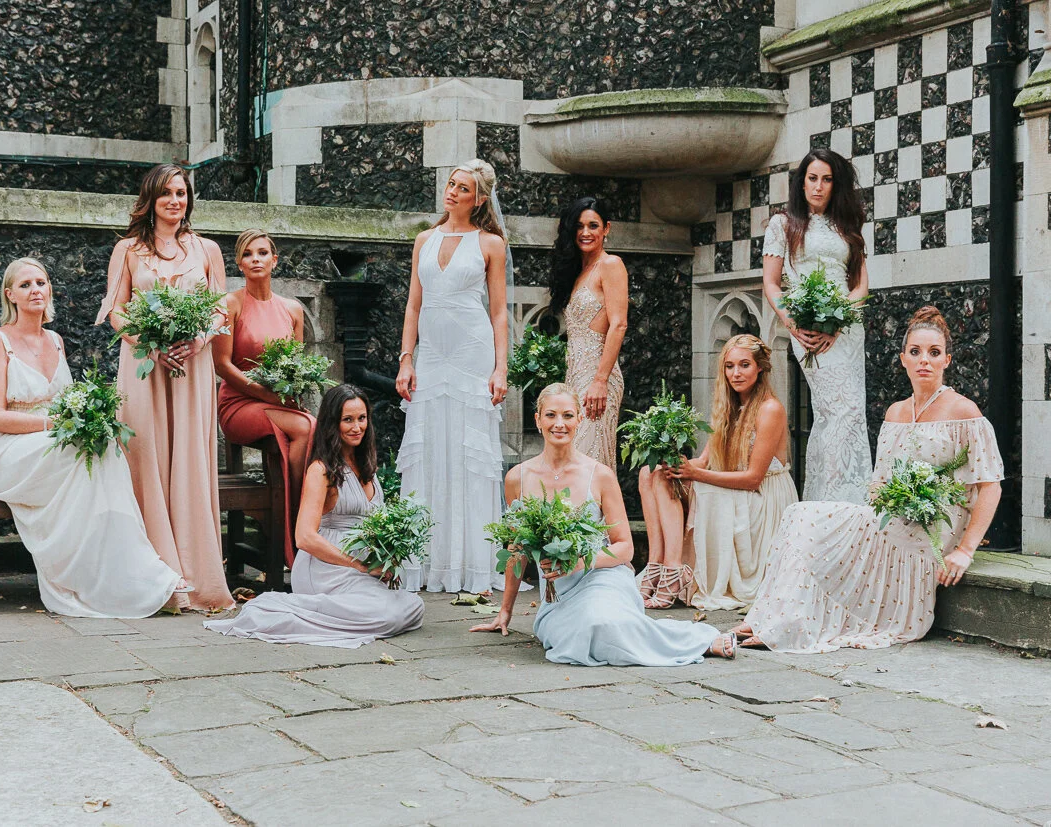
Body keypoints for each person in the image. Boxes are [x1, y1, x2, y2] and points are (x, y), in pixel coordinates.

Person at [734, 307, 1003, 652]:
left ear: (947, 360)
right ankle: (767, 617)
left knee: (818, 526)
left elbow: (990, 485)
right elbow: (880, 481)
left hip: (935, 526)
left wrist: (965, 551)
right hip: (891, 515)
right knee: (799, 514)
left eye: (934, 353)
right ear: (903, 359)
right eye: (916, 352)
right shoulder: (895, 412)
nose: (925, 361)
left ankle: (782, 625)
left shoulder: (965, 411)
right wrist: (885, 503)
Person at [0, 259, 187, 617]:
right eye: (25, 285)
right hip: (7, 450)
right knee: (83, 454)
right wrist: (56, 425)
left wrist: (84, 418)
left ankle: (126, 573)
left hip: (56, 442)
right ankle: (93, 575)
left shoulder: (55, 340)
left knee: (104, 448)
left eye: (41, 282)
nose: (35, 290)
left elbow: (69, 400)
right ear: (10, 295)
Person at [471, 384, 735, 665]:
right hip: (557, 593)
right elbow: (516, 549)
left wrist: (580, 561)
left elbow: (624, 549)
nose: (559, 424)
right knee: (580, 634)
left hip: (603, 577)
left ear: (579, 420)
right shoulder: (517, 478)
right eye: (551, 415)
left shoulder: (600, 475)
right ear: (537, 420)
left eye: (568, 416)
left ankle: (697, 642)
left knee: (602, 622)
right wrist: (505, 612)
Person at [97, 163, 233, 611]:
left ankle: (196, 573)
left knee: (189, 460)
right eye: (167, 194)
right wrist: (152, 347)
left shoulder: (207, 249)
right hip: (144, 368)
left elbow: (218, 310)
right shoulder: (129, 251)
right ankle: (153, 574)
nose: (176, 201)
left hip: (192, 369)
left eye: (182, 193)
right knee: (147, 459)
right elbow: (117, 313)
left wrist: (199, 340)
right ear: (150, 200)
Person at [204, 384, 424, 647]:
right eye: (348, 420)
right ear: (333, 424)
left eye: (362, 418)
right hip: (325, 568)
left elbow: (379, 525)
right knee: (391, 614)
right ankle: (292, 609)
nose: (357, 427)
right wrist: (361, 566)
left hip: (361, 570)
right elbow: (304, 537)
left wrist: (387, 561)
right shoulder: (321, 470)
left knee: (413, 607)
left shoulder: (368, 467)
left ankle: (341, 611)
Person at [395, 159, 508, 594]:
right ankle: (424, 560)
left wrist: (500, 368)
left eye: (462, 188)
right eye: (451, 184)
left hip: (471, 351)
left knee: (469, 452)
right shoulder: (424, 238)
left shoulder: (490, 243)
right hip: (432, 354)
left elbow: (498, 311)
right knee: (428, 446)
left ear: (479, 198)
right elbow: (412, 306)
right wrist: (407, 359)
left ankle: (472, 565)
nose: (452, 191)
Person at [637, 335, 798, 610]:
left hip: (761, 499)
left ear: (760, 367)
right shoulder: (729, 407)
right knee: (650, 473)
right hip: (735, 489)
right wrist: (673, 464)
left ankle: (675, 572)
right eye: (729, 366)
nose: (736, 373)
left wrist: (694, 474)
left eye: (744, 365)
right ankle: (657, 565)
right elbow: (704, 461)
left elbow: (752, 479)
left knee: (682, 483)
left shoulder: (770, 408)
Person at [763, 148, 871, 503]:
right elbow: (772, 283)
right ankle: (831, 503)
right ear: (802, 182)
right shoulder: (783, 224)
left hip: (847, 330)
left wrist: (840, 321)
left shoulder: (848, 225)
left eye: (827, 179)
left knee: (850, 410)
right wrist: (793, 324)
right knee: (836, 408)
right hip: (807, 330)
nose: (819, 186)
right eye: (813, 178)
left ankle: (844, 501)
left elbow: (860, 286)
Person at [214, 229, 315, 567]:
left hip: (278, 403)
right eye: (247, 254)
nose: (255, 259)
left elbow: (296, 368)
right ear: (239, 263)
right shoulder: (230, 304)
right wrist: (265, 393)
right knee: (307, 426)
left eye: (261, 253)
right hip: (238, 404)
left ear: (275, 260)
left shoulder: (293, 310)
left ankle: (301, 516)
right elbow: (222, 366)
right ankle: (300, 519)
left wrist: (286, 392)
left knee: (312, 426)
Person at [549, 197, 628, 468]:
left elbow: (619, 324)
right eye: (579, 226)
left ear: (606, 228)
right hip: (575, 376)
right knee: (571, 459)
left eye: (593, 225)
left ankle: (596, 512)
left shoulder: (611, 264)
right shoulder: (580, 271)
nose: (585, 232)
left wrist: (600, 381)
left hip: (598, 377)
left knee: (589, 458)